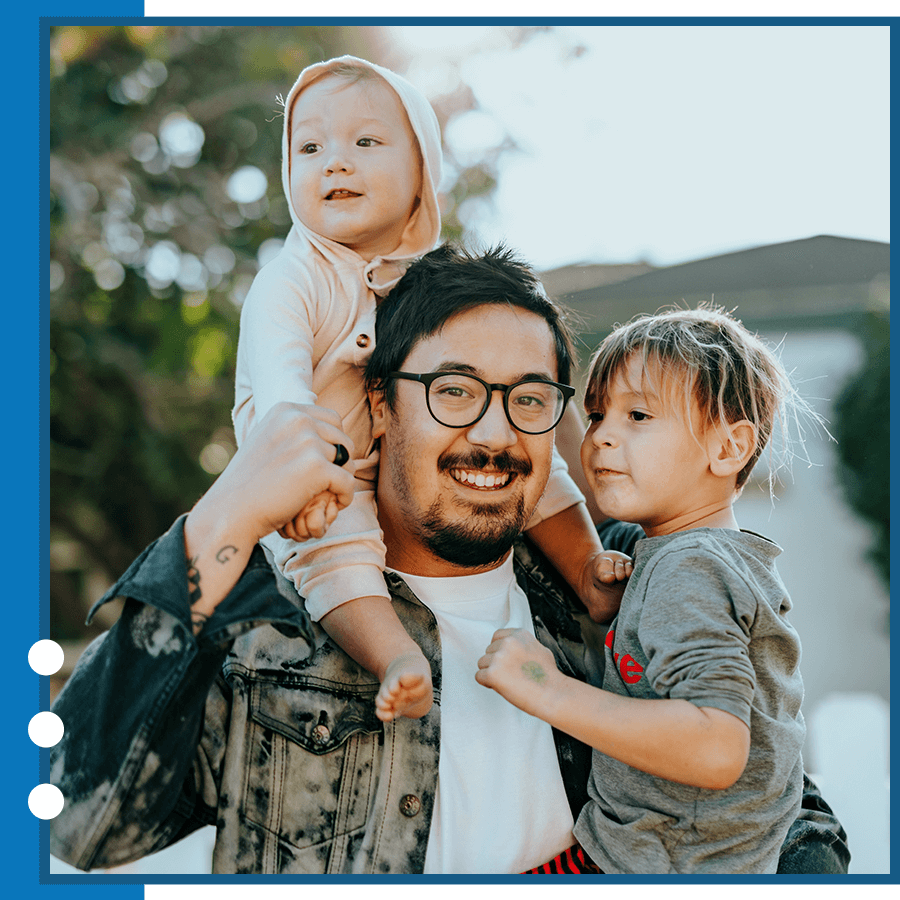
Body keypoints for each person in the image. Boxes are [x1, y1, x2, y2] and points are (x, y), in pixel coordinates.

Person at [49, 247, 848, 875]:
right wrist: (222, 516)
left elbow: (770, 786)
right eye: (455, 391)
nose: (495, 435)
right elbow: (79, 825)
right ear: (379, 405)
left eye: (530, 399)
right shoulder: (264, 613)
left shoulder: (614, 582)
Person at [231, 55, 627, 723]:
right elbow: (281, 395)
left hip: (389, 462)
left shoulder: (432, 283)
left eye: (365, 142)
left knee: (538, 463)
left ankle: (588, 569)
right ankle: (395, 656)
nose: (335, 162)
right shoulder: (293, 278)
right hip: (315, 478)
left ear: (422, 172)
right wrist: (304, 480)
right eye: (310, 147)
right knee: (337, 556)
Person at [477, 307, 822, 873]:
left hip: (653, 861)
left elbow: (716, 747)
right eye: (595, 415)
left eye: (637, 414)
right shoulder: (702, 559)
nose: (602, 436)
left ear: (729, 448)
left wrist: (545, 688)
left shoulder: (688, 568)